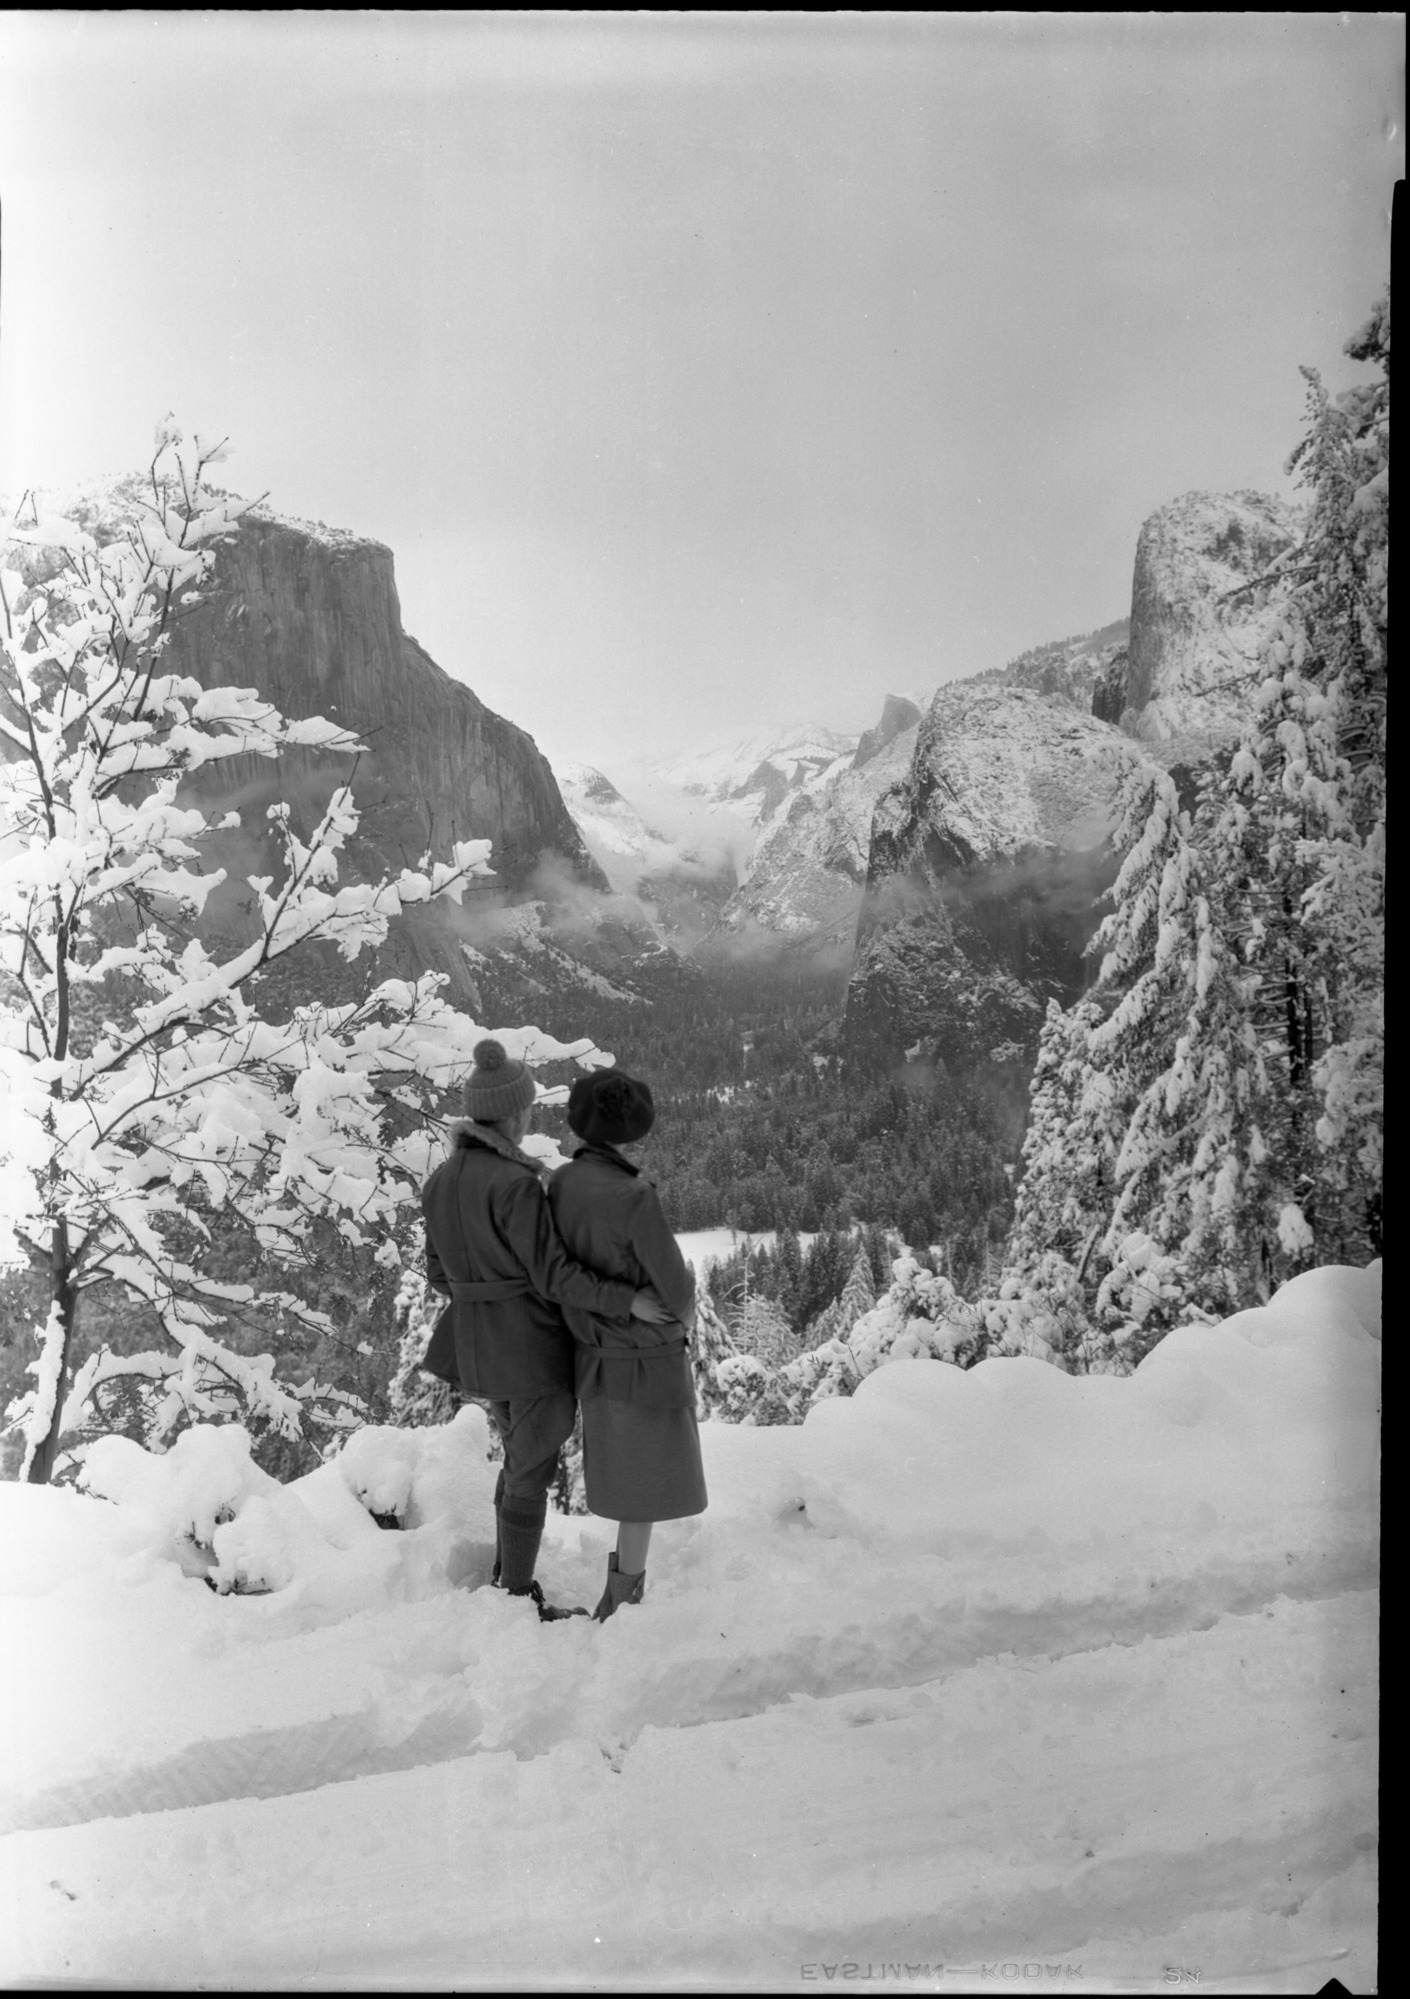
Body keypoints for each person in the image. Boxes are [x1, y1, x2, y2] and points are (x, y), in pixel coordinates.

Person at [422, 1039, 672, 1622]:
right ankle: (514, 1594)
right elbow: (555, 1276)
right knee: (530, 1467)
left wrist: (481, 1291)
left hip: (472, 1344)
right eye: (528, 1106)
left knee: (519, 1457)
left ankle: (507, 1577)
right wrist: (627, 1299)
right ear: (515, 1112)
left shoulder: (440, 1180)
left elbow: (438, 1274)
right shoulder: (515, 1183)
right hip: (527, 1346)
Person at [548, 1067, 708, 1621]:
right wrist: (671, 1314)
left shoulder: (561, 1183)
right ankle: (622, 1604)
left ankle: (619, 1598)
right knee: (644, 1490)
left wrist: (612, 1301)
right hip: (645, 1360)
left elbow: (558, 1272)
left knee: (629, 1483)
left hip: (591, 1354)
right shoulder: (633, 1195)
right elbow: (676, 1288)